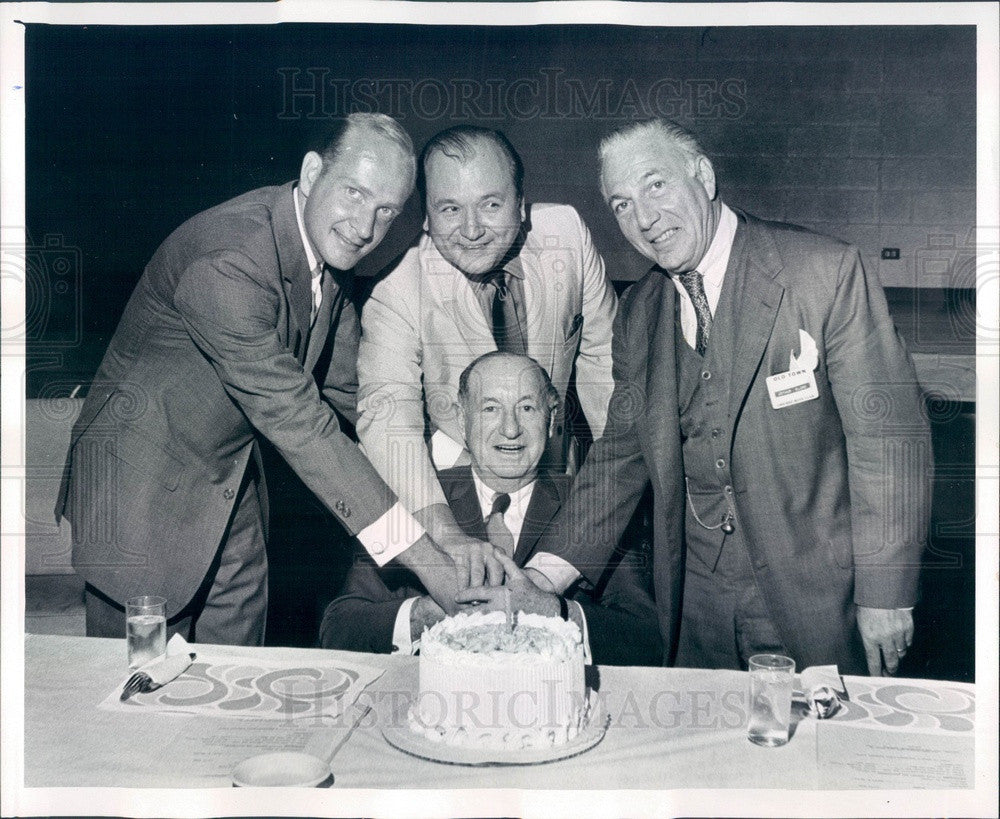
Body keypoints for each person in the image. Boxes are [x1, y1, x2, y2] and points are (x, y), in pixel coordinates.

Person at [473, 119, 932, 676]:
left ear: (705, 176)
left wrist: (886, 594)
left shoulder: (822, 273)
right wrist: (545, 576)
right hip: (693, 610)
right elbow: (619, 460)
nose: (643, 218)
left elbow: (887, 442)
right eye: (621, 204)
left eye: (656, 186)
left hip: (815, 598)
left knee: (818, 756)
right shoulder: (640, 313)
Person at [57, 113, 498, 646]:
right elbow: (304, 425)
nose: (365, 228)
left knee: (239, 684)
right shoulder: (230, 262)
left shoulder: (325, 250)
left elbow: (353, 400)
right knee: (139, 695)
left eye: (386, 210)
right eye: (355, 194)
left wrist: (454, 481)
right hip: (138, 496)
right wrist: (429, 561)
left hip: (230, 485)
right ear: (312, 174)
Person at [355, 125, 618, 555]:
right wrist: (445, 534)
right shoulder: (397, 285)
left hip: (561, 477)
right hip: (452, 488)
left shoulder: (566, 234)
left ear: (520, 204)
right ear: (426, 216)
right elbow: (388, 419)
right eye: (450, 209)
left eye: (491, 204)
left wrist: (611, 490)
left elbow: (605, 369)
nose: (471, 230)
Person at [320, 352, 662, 666]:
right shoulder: (414, 499)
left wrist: (555, 611)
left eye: (527, 408)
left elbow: (647, 639)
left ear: (552, 418)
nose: (510, 429)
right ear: (461, 418)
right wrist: (425, 615)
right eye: (490, 409)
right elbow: (338, 627)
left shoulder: (594, 503)